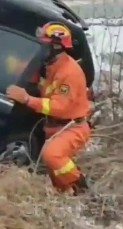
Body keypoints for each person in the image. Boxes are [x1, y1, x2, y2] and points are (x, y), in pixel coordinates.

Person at [6, 22, 91, 194]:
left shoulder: (69, 72)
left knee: (52, 154)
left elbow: (60, 107)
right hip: (53, 127)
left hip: (72, 127)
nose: (40, 48)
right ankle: (67, 194)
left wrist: (27, 99)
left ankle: (82, 188)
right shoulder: (49, 67)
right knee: (56, 176)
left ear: (55, 47)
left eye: (43, 44)